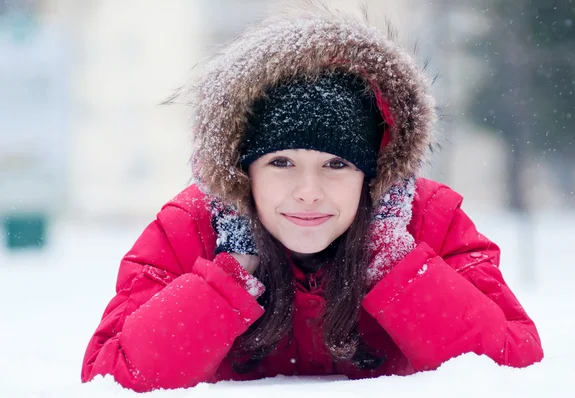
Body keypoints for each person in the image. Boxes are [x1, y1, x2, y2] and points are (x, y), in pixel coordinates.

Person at [81, 7, 543, 393]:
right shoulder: (192, 229)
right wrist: (232, 270)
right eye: (281, 163)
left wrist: (393, 257)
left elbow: (512, 368)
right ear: (244, 172)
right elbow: (113, 377)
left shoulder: (428, 221)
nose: (308, 190)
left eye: (336, 164)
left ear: (372, 173)